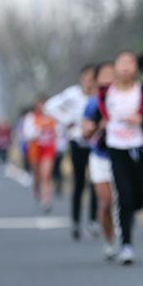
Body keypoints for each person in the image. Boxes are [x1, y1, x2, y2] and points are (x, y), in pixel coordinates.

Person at [89, 51, 143, 265]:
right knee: (123, 196)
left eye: (130, 63)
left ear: (136, 68)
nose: (125, 67)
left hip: (140, 148)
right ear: (115, 67)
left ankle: (134, 207)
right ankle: (127, 245)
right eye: (121, 62)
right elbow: (95, 117)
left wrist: (142, 119)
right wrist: (92, 125)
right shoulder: (106, 94)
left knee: (138, 198)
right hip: (116, 149)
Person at [45, 64, 99, 239]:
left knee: (96, 182)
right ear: (81, 78)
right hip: (77, 142)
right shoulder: (72, 94)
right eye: (87, 78)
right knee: (79, 182)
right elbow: (50, 106)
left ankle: (93, 221)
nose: (90, 81)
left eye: (93, 78)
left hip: (97, 143)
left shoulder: (100, 95)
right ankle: (75, 221)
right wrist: (68, 119)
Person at [82, 61, 118, 260]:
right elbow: (85, 133)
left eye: (112, 74)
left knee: (123, 201)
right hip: (100, 157)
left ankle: (124, 238)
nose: (109, 79)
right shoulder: (92, 104)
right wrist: (97, 127)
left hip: (122, 157)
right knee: (105, 203)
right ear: (96, 81)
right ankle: (109, 241)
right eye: (104, 75)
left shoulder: (128, 99)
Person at [23, 97, 59, 213]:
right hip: (35, 150)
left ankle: (46, 200)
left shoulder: (52, 117)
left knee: (46, 175)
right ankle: (36, 188)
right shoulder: (31, 117)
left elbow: (58, 132)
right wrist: (37, 130)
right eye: (39, 105)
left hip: (48, 149)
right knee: (37, 174)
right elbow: (27, 134)